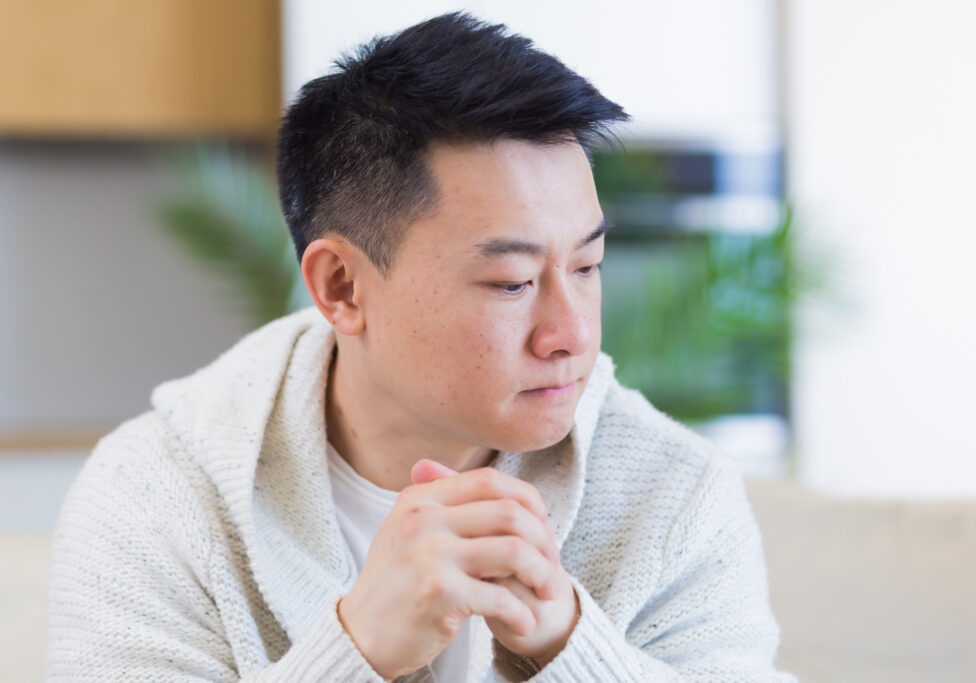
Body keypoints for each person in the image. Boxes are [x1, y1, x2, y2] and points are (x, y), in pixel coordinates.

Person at [46, 12, 794, 683]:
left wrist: (570, 647)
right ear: (341, 286)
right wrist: (357, 651)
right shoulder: (158, 496)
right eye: (511, 282)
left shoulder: (674, 495)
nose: (572, 335)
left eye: (588, 266)